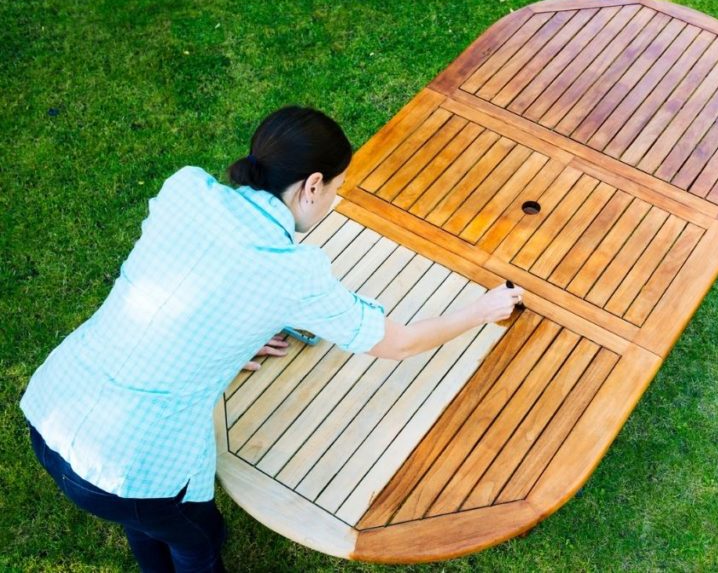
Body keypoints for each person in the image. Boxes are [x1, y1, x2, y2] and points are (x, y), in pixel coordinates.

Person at [20, 106, 524, 572]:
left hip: (52, 409)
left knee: (148, 520)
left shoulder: (186, 190)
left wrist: (232, 334)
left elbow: (180, 277)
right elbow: (399, 343)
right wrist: (482, 310)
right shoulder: (292, 273)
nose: (335, 200)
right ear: (312, 186)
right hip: (128, 462)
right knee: (197, 539)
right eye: (336, 189)